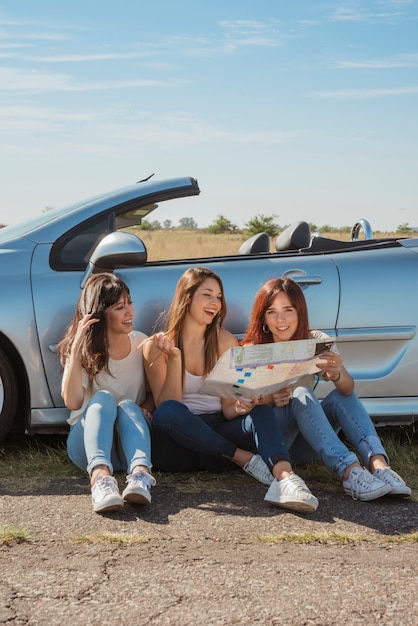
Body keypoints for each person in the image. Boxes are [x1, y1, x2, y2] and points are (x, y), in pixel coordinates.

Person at [143, 267, 319, 513]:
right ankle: (243, 459)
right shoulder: (155, 346)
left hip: (218, 436)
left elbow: (228, 410)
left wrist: (245, 405)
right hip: (178, 447)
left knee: (261, 411)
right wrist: (174, 358)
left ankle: (285, 479)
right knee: (168, 411)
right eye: (207, 295)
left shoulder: (225, 342)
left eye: (218, 296)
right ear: (187, 297)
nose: (215, 302)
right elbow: (167, 407)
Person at [242, 277, 411, 502]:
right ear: (263, 317)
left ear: (300, 312)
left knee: (342, 395)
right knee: (300, 394)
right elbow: (244, 406)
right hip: (277, 441)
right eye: (272, 312)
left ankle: (379, 466)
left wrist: (337, 372)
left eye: (288, 310)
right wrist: (272, 398)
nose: (280, 319)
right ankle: (350, 472)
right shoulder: (253, 349)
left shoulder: (315, 340)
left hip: (312, 438)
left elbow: (348, 388)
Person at [58, 273, 156, 514]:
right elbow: (73, 402)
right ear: (100, 314)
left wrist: (147, 407)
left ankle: (140, 477)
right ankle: (100, 480)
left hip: (127, 447)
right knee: (103, 398)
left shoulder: (142, 343)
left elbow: (156, 394)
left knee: (127, 406)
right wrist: (76, 348)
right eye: (119, 307)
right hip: (86, 448)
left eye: (129, 303)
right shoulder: (85, 353)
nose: (129, 312)